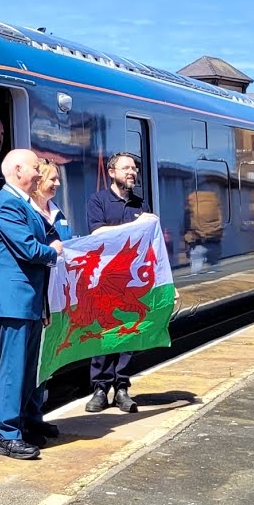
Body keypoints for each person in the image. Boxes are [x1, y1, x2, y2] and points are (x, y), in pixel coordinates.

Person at [0, 149, 65, 460]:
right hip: (14, 299)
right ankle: (6, 435)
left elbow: (53, 233)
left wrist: (55, 243)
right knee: (14, 368)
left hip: (29, 298)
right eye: (35, 168)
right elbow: (31, 249)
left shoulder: (24, 205)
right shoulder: (7, 204)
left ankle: (28, 423)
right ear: (18, 170)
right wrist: (54, 251)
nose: (38, 173)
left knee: (30, 366)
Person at [84, 152, 153, 413]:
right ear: (112, 172)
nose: (132, 172)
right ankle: (100, 389)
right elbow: (97, 233)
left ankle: (122, 388)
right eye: (126, 168)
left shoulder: (140, 204)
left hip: (132, 280)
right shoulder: (98, 201)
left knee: (129, 332)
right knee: (104, 332)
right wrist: (134, 230)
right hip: (104, 281)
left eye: (134, 168)